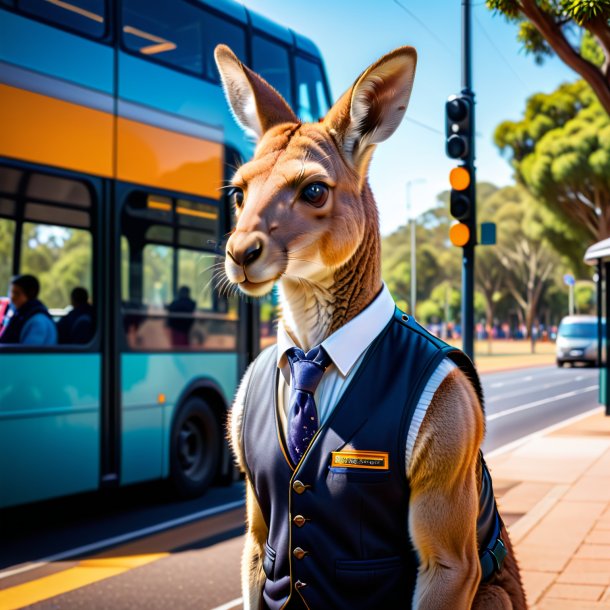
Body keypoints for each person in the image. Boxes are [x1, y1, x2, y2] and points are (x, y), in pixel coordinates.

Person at [0, 275, 57, 346]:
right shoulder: (21, 315)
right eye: (11, 293)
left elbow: (27, 354)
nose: (12, 297)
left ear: (30, 295)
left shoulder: (37, 321)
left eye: (17, 293)